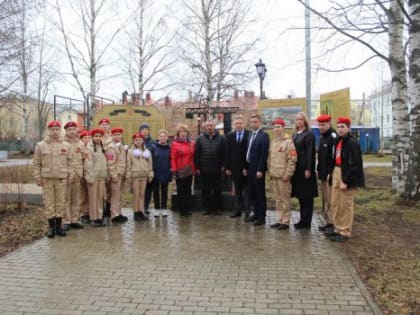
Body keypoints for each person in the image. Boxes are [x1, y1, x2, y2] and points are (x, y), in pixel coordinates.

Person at [326, 117, 364, 242]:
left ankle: (345, 231)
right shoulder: (338, 141)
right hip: (336, 171)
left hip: (346, 174)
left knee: (345, 204)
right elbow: (334, 158)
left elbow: (355, 164)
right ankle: (337, 228)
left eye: (343, 127)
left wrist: (346, 181)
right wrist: (331, 173)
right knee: (335, 203)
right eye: (339, 127)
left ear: (348, 128)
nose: (340, 129)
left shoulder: (352, 143)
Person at [33, 120, 71, 238]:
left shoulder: (66, 145)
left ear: (60, 130)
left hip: (61, 178)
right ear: (48, 131)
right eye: (52, 129)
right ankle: (51, 228)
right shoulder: (41, 145)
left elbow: (70, 162)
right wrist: (38, 178)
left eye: (57, 129)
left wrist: (70, 176)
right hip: (47, 179)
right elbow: (36, 163)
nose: (55, 131)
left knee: (60, 203)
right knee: (49, 203)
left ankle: (59, 227)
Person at [291, 112, 318, 229]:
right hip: (297, 170)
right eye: (297, 119)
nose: (299, 121)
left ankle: (306, 221)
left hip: (305, 170)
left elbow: (310, 153)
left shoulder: (309, 135)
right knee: (301, 196)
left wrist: (308, 169)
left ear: (305, 121)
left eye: (301, 119)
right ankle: (302, 219)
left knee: (307, 196)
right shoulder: (295, 134)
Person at [269, 118, 297, 230]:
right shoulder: (273, 142)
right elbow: (271, 159)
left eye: (278, 126)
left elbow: (292, 159)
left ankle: (285, 221)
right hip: (275, 175)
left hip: (283, 176)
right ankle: (279, 219)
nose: (276, 129)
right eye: (275, 127)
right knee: (277, 199)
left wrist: (288, 174)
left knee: (285, 199)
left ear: (283, 128)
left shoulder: (288, 142)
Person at [194, 120, 226, 215]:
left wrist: (224, 165)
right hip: (204, 169)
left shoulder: (221, 138)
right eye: (207, 125)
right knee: (205, 190)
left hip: (217, 169)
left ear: (214, 126)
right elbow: (197, 154)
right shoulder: (199, 139)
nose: (209, 127)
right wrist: (197, 167)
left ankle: (217, 208)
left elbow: (224, 153)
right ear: (205, 127)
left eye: (211, 125)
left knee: (217, 189)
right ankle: (208, 208)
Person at [244, 114, 270, 226]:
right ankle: (255, 213)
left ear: (259, 122)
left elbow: (264, 154)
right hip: (250, 167)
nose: (253, 124)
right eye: (252, 122)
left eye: (255, 122)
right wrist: (245, 167)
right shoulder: (250, 134)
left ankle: (261, 217)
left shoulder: (264, 136)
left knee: (260, 193)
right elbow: (248, 152)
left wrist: (260, 169)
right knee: (252, 192)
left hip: (258, 169)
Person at [224, 114, 250, 218]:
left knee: (247, 191)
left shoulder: (249, 135)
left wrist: (246, 167)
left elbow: (250, 153)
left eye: (240, 123)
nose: (238, 125)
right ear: (234, 125)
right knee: (237, 190)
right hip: (234, 169)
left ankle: (248, 211)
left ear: (244, 124)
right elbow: (227, 153)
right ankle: (237, 210)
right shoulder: (230, 136)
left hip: (246, 169)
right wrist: (227, 167)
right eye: (236, 124)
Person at [62, 121, 85, 231]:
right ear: (66, 131)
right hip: (67, 175)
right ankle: (67, 220)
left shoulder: (80, 143)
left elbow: (85, 157)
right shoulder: (62, 143)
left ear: (76, 130)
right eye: (69, 129)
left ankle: (75, 220)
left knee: (76, 198)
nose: (72, 131)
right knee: (67, 199)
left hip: (78, 174)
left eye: (73, 129)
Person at [126, 133, 154, 221]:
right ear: (134, 141)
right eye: (136, 140)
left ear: (143, 141)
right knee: (136, 195)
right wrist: (129, 176)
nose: (138, 141)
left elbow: (150, 164)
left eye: (140, 140)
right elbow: (128, 165)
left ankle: (140, 211)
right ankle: (135, 212)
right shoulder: (130, 152)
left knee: (142, 194)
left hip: (144, 175)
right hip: (135, 176)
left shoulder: (146, 152)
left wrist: (150, 174)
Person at [316, 114, 336, 231]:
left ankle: (333, 223)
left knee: (331, 200)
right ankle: (329, 221)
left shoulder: (332, 137)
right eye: (319, 125)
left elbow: (333, 157)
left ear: (329, 124)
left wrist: (330, 172)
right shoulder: (323, 137)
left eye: (323, 125)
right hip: (323, 174)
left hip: (329, 175)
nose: (320, 127)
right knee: (326, 200)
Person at [84, 128, 108, 227]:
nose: (98, 138)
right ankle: (93, 218)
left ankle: (99, 217)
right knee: (93, 198)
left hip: (101, 177)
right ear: (92, 137)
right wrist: (90, 176)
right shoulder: (89, 148)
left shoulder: (102, 148)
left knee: (100, 198)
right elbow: (88, 164)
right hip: (93, 177)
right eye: (96, 136)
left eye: (99, 136)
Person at [171, 124, 195, 216]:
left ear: (187, 133)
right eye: (181, 132)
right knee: (181, 191)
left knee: (188, 190)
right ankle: (182, 210)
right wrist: (174, 170)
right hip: (179, 171)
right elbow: (173, 158)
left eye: (184, 132)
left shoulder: (191, 143)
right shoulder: (175, 144)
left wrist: (194, 169)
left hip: (189, 170)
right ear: (178, 133)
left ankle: (187, 208)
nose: (183, 134)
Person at [106, 127, 128, 224]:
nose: (117, 136)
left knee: (120, 195)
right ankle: (114, 215)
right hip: (116, 175)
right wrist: (114, 176)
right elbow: (111, 163)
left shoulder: (121, 146)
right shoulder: (111, 147)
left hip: (122, 174)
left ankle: (119, 212)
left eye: (119, 134)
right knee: (115, 196)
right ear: (112, 136)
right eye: (115, 134)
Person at [151, 129, 171, 218]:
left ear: (167, 138)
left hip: (165, 171)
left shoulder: (169, 148)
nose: (163, 138)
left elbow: (171, 160)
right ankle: (156, 209)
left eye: (164, 136)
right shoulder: (153, 147)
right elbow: (150, 160)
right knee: (156, 191)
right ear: (158, 137)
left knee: (164, 191)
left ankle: (164, 208)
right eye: (161, 136)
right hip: (155, 172)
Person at [139, 123, 154, 214]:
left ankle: (146, 207)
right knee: (140, 190)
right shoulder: (136, 141)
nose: (145, 131)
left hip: (149, 169)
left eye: (146, 129)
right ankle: (139, 208)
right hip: (139, 170)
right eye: (143, 129)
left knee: (148, 190)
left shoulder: (152, 142)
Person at [79, 130, 91, 224]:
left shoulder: (92, 147)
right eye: (85, 138)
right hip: (82, 174)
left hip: (91, 174)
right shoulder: (80, 148)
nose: (87, 140)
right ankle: (84, 213)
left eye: (88, 138)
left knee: (91, 194)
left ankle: (92, 212)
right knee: (83, 195)